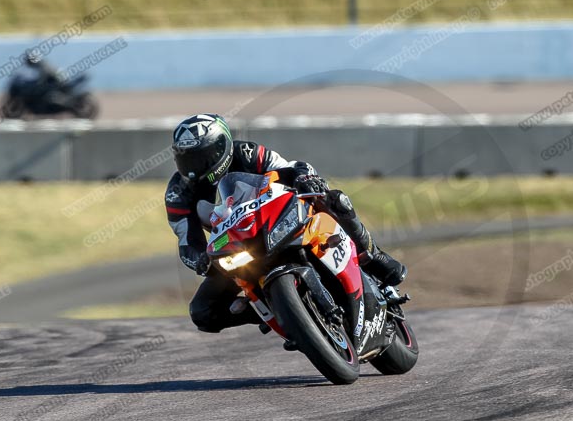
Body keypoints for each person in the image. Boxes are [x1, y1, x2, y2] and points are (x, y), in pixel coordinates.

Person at [165, 113, 407, 336]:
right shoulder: (178, 194)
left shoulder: (248, 153)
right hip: (238, 249)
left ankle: (373, 255)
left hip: (278, 218)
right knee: (202, 312)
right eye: (186, 160)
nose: (194, 168)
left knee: (335, 200)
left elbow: (292, 167)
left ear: (221, 147)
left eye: (201, 157)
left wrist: (305, 178)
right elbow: (188, 243)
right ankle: (279, 314)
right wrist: (200, 260)